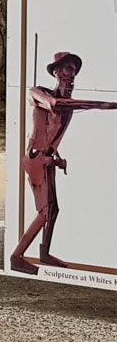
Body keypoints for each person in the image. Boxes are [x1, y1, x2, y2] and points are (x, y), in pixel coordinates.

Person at [8, 51, 117, 275]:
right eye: (68, 69)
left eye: (74, 70)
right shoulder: (39, 93)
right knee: (44, 211)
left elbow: (53, 133)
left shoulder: (68, 106)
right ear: (56, 72)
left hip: (48, 160)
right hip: (36, 159)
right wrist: (102, 103)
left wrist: (57, 157)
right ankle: (16, 256)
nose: (72, 74)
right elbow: (54, 105)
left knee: (54, 210)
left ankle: (44, 252)